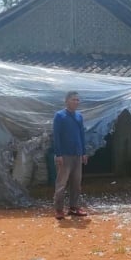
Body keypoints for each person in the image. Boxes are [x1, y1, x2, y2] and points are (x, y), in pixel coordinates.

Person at [52, 91, 88, 220]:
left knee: (76, 183)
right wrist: (58, 154)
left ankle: (74, 207)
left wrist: (83, 152)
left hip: (77, 154)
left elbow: (81, 135)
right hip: (65, 155)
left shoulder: (79, 116)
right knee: (61, 183)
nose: (76, 102)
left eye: (78, 100)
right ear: (66, 101)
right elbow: (56, 136)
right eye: (73, 99)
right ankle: (59, 209)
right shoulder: (59, 116)